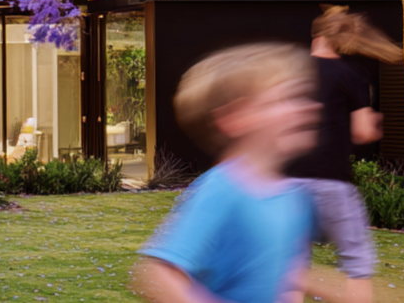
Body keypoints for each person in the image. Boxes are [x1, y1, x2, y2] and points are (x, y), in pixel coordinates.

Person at [133, 43, 327, 303]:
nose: (308, 107)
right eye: (288, 98)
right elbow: (158, 273)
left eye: (305, 96)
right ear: (237, 117)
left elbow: (285, 277)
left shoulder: (294, 197)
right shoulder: (224, 189)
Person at [286, 7, 396, 303]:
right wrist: (373, 123)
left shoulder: (290, 69)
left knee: (292, 263)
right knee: (356, 262)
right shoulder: (351, 75)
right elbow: (362, 133)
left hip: (286, 183)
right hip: (330, 182)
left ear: (317, 34)